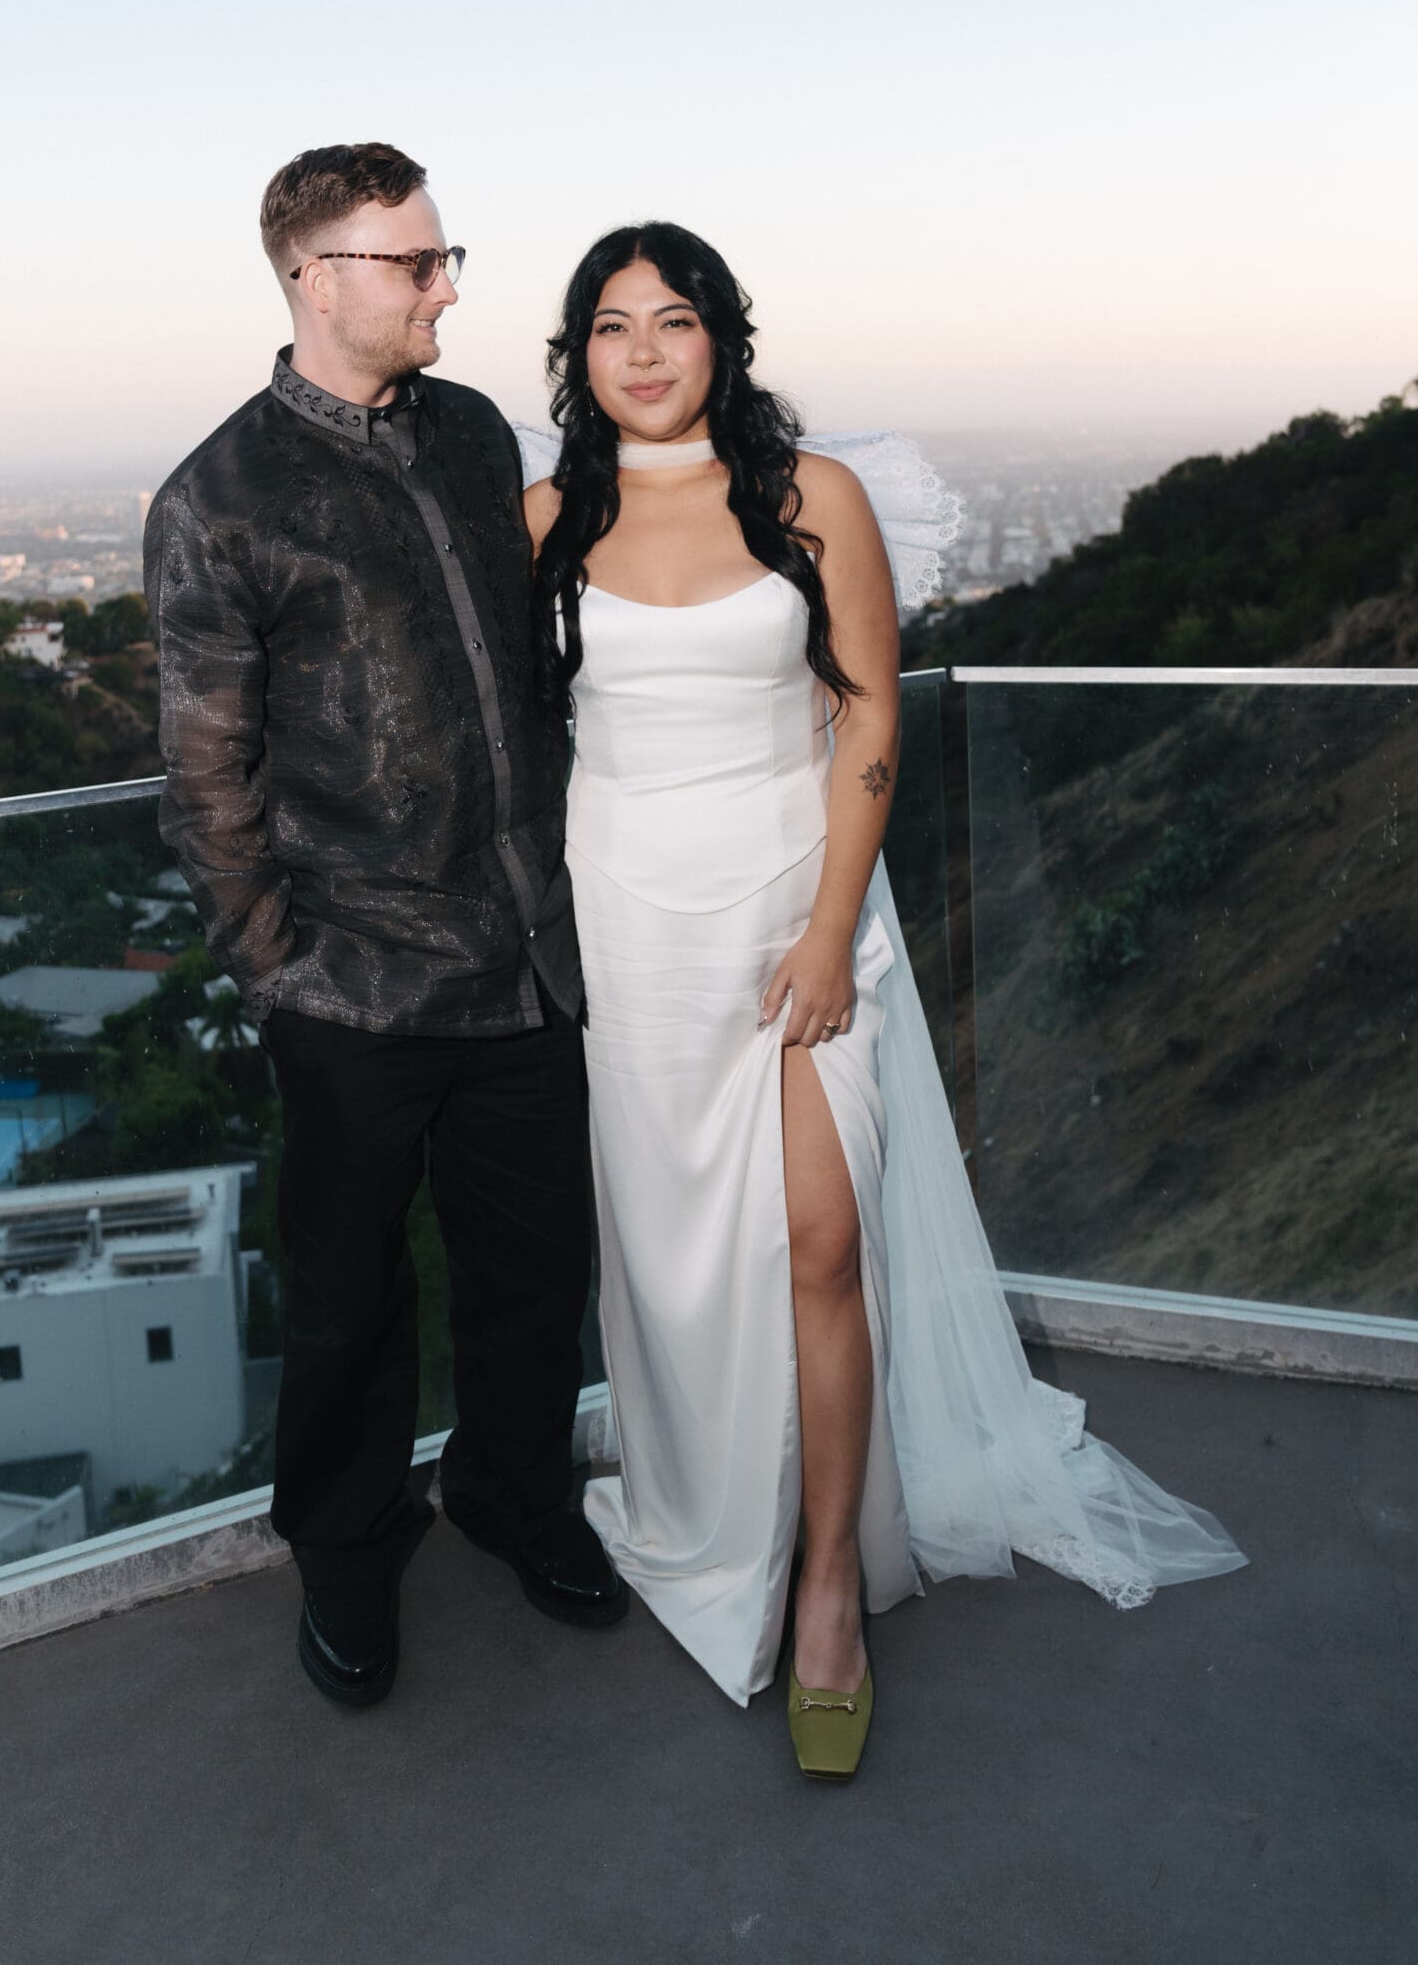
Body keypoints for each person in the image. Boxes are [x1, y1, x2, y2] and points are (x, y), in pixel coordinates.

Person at [523, 222, 1246, 1781]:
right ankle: (715, 1508)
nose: (643, 352)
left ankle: (832, 1585)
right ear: (577, 358)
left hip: (798, 910)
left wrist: (832, 921)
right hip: (631, 931)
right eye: (612, 326)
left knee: (822, 1238)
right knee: (677, 1259)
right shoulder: (543, 520)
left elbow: (864, 719)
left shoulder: (812, 497)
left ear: (723, 338)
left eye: (674, 320)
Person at [145, 142, 625, 1711]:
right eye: (417, 263)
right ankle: (348, 1552)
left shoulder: (476, 431)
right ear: (316, 276)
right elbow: (206, 774)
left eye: (442, 257)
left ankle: (513, 1497)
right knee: (349, 1302)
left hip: (526, 959)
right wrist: (277, 969)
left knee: (536, 1273)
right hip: (349, 989)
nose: (446, 290)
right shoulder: (219, 497)